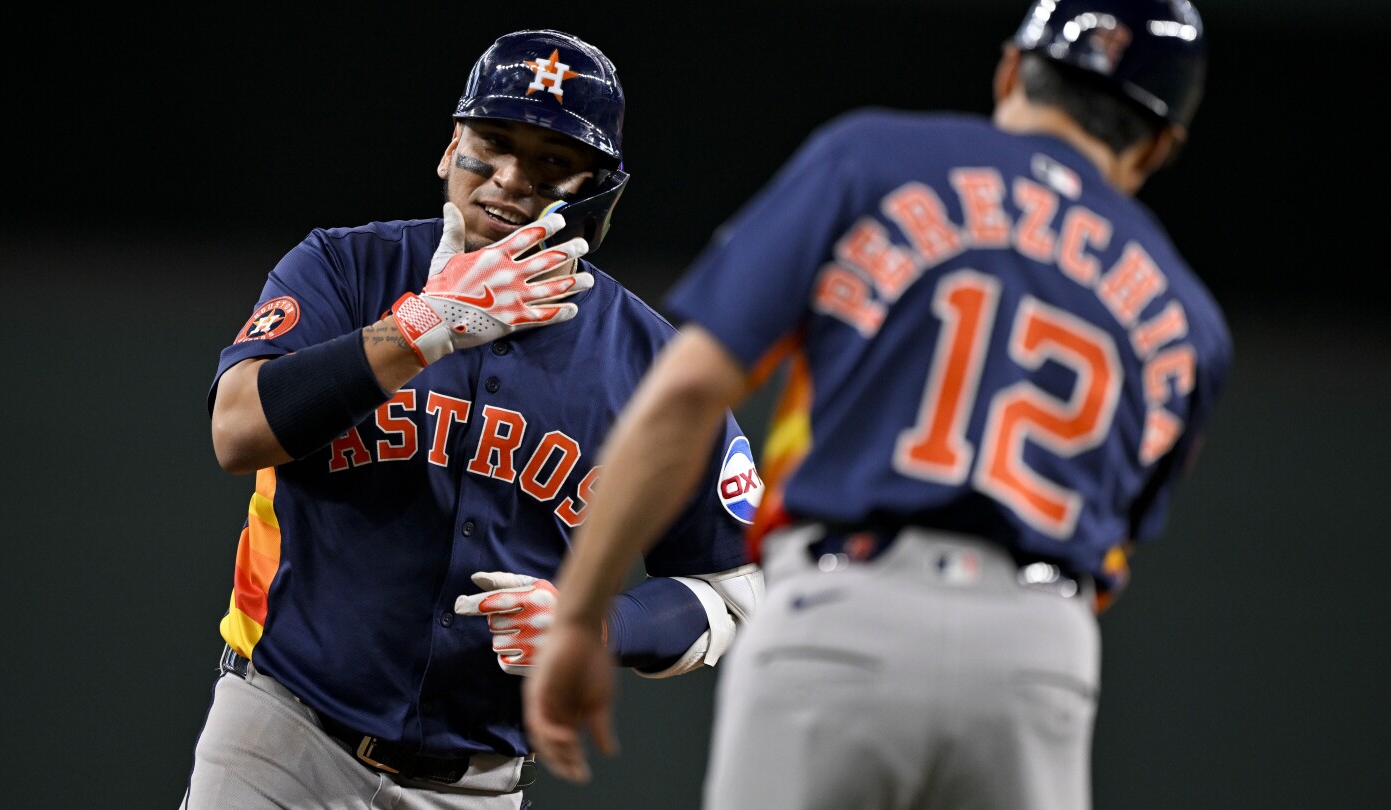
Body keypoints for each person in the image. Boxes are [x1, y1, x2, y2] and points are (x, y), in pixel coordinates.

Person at [524, 1, 1231, 808]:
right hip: (1039, 647)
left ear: (1010, 69)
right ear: (1162, 143)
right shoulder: (1191, 317)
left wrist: (581, 615)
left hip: (844, 611)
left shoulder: (874, 159)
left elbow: (686, 391)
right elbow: (1118, 545)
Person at [178, 29, 764, 810]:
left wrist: (598, 625)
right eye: (493, 143)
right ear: (451, 147)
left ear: (598, 193)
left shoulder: (653, 363)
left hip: (474, 786)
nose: (511, 180)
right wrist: (421, 327)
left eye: (552, 160)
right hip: (281, 735)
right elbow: (237, 429)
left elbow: (736, 588)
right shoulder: (346, 269)